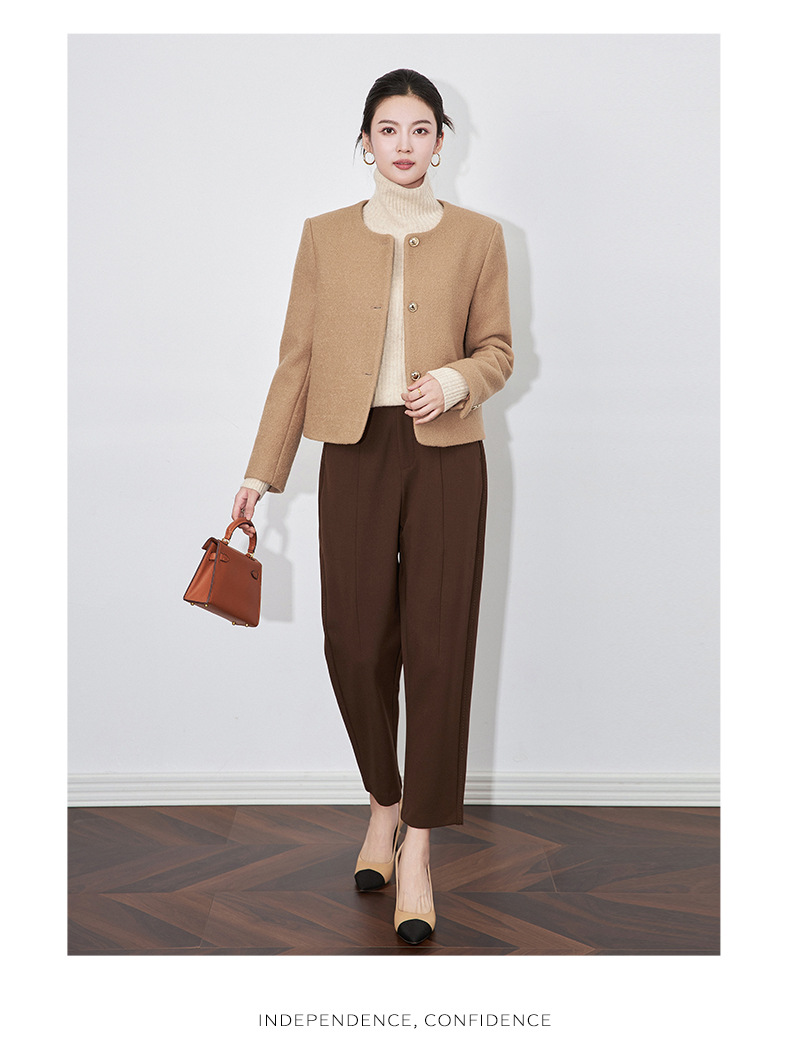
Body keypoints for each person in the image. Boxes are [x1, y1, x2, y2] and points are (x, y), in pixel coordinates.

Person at [232, 68, 513, 945]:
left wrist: (456, 380)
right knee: (355, 642)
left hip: (447, 458)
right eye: (388, 129)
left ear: (441, 142)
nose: (404, 144)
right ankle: (383, 801)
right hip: (351, 452)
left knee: (439, 647)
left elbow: (500, 350)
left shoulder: (479, 237)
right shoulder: (323, 236)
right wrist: (260, 474)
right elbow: (297, 360)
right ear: (365, 142)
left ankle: (418, 847)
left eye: (420, 129)